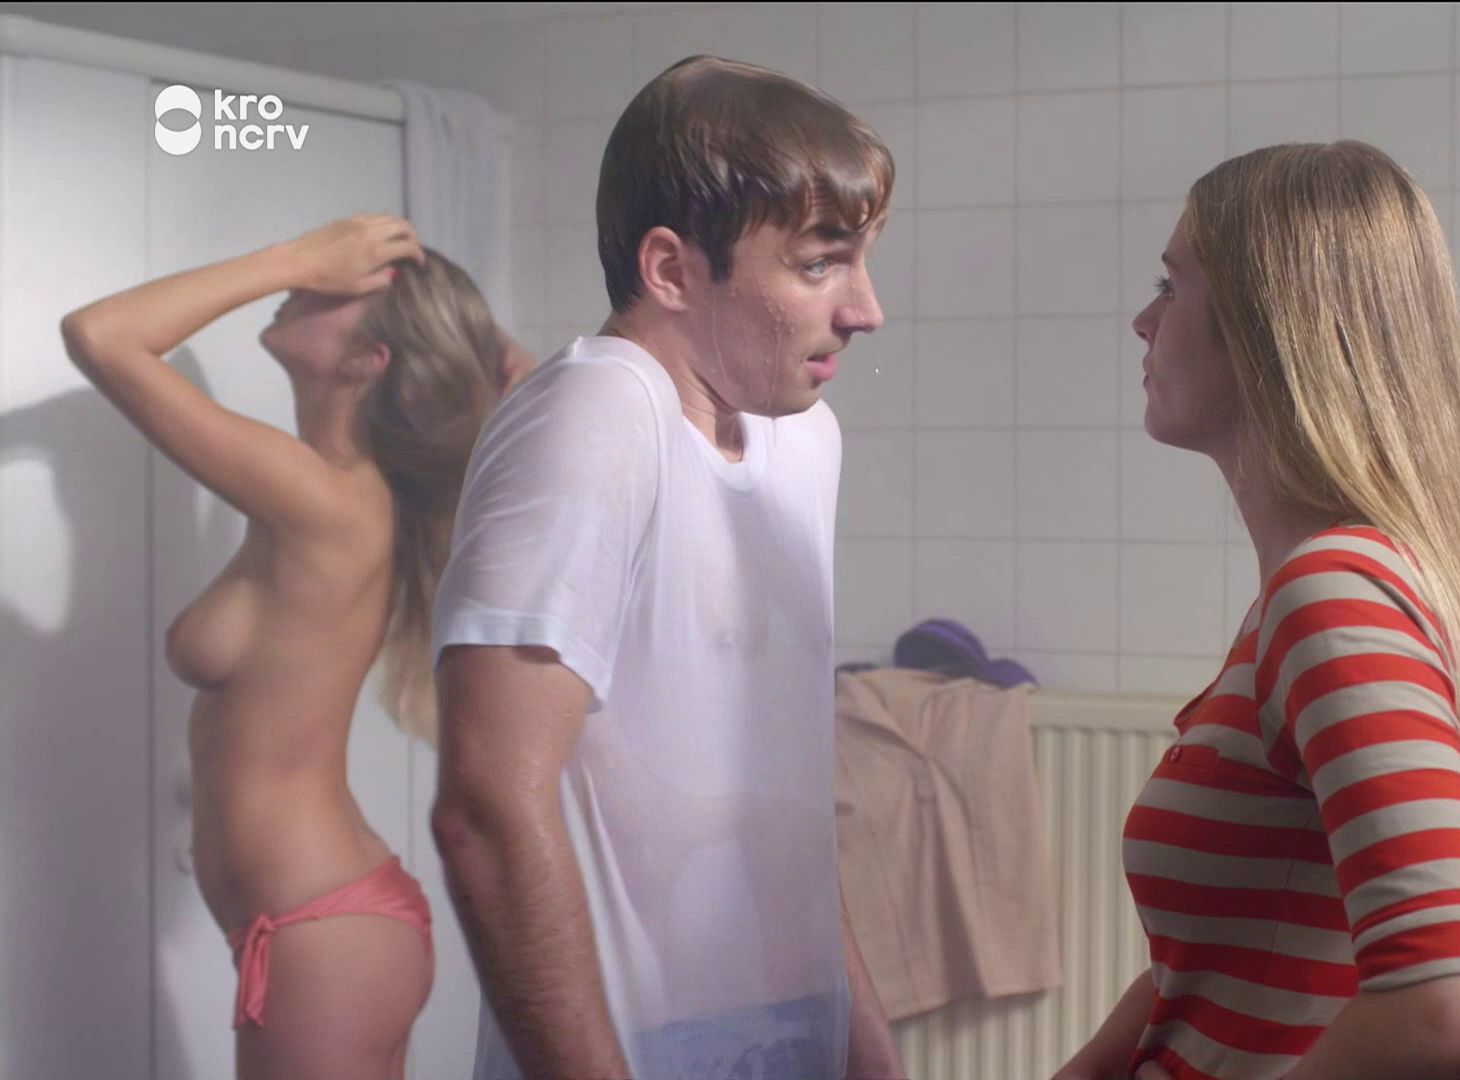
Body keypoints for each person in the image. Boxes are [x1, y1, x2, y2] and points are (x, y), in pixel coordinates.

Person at [1055, 141, 1460, 1080]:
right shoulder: (1320, 587)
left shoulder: (1335, 593)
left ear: (1267, 328)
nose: (1144, 321)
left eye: (1172, 287)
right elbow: (1230, 949)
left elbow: (1451, 1008)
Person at [427, 56, 903, 1080]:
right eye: (820, 264)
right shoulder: (598, 414)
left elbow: (781, 808)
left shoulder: (804, 438)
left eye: (859, 261)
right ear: (672, 270)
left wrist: (868, 1049)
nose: (865, 309)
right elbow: (487, 809)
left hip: (794, 1031)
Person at [60, 214, 526, 1078]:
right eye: (320, 275)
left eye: (333, 289)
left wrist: (292, 257)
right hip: (317, 930)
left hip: (322, 935)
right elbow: (508, 369)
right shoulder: (325, 494)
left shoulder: (326, 499)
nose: (312, 281)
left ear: (366, 362)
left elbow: (101, 334)